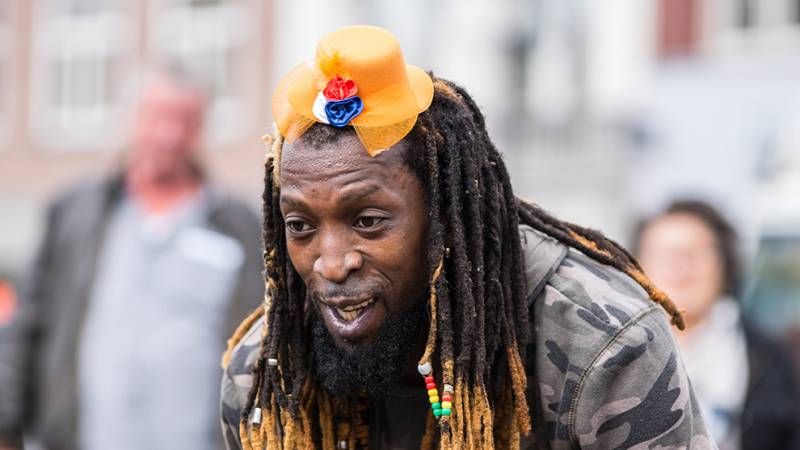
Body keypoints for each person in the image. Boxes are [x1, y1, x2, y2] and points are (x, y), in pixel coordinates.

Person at [221, 25, 714, 450]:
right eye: (301, 226)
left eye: (368, 220)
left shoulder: (603, 349)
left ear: (442, 218)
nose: (330, 262)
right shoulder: (266, 376)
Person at [0, 67, 264, 450]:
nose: (169, 135)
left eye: (185, 122)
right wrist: (7, 419)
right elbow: (30, 321)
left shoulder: (236, 223)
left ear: (200, 130)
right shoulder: (77, 211)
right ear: (133, 120)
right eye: (158, 117)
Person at [634, 199, 800, 450]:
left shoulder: (770, 356)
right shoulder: (612, 353)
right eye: (666, 254)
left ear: (725, 264)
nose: (680, 268)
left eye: (695, 253)